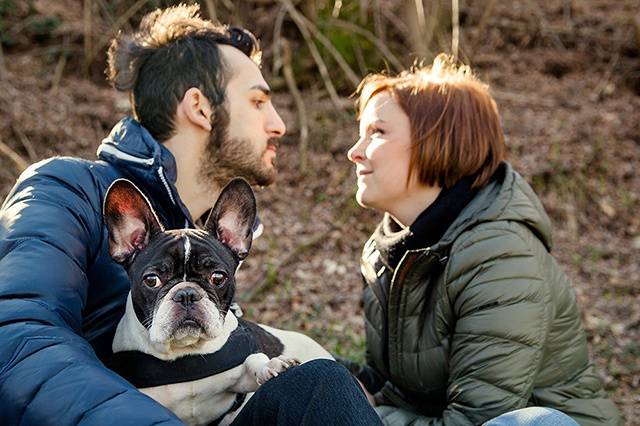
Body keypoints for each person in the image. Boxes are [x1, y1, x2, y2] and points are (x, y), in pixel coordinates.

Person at [0, 5, 381, 425]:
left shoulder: (205, 239)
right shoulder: (67, 189)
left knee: (322, 383)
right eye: (258, 102)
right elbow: (17, 337)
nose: (279, 125)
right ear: (200, 108)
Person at [342, 54, 623, 425]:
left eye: (377, 132)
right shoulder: (390, 253)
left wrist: (365, 412)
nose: (354, 151)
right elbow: (398, 390)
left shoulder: (500, 256)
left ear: (440, 141)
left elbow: (477, 421)